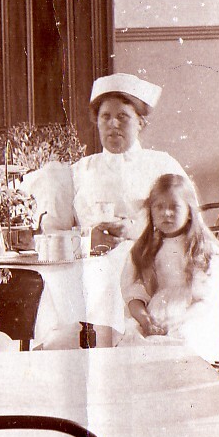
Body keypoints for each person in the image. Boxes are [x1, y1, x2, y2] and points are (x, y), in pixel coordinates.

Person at [69, 73, 191, 342]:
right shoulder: (81, 170)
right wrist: (87, 240)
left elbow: (189, 219)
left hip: (149, 259)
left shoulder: (160, 164)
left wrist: (136, 229)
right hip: (90, 261)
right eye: (105, 117)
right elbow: (64, 228)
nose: (113, 124)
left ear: (140, 122)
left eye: (122, 116)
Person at [120, 173, 219, 365]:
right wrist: (145, 320)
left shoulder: (202, 249)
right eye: (159, 207)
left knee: (180, 342)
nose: (166, 213)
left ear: (189, 211)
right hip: (154, 317)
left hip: (192, 316)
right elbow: (133, 292)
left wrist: (175, 323)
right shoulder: (144, 249)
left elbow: (205, 301)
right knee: (131, 341)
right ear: (151, 211)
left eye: (174, 207)